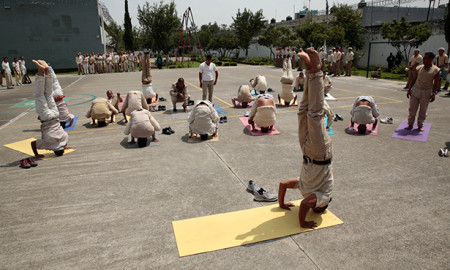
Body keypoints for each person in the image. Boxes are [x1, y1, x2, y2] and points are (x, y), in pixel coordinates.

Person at [277, 48, 333, 229]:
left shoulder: (303, 187)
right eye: (314, 205)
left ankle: (309, 70)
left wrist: (282, 204)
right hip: (320, 153)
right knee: (314, 114)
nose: (312, 203)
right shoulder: (325, 196)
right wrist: (303, 223)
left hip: (307, 151)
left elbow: (283, 184)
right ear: (320, 206)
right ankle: (316, 72)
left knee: (303, 112)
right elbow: (305, 204)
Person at [30, 59, 70, 158]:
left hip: (56, 116)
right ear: (54, 151)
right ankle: (40, 72)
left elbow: (63, 143)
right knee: (39, 95)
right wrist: (37, 154)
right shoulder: (49, 144)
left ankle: (47, 71)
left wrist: (65, 145)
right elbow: (33, 143)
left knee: (49, 94)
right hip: (46, 118)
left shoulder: (65, 138)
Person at [405, 52, 440, 131]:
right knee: (412, 109)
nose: (423, 60)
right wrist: (409, 89)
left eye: (425, 58)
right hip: (416, 90)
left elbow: (436, 83)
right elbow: (413, 79)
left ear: (431, 59)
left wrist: (433, 93)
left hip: (426, 92)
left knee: (423, 110)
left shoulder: (435, 70)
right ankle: (410, 124)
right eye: (423, 58)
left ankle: (420, 125)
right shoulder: (419, 68)